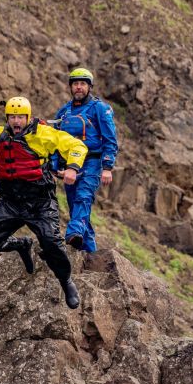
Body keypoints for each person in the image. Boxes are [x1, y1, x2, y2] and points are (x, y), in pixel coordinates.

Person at [0, 96, 88, 309]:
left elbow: (76, 146)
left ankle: (66, 280)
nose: (16, 121)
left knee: (52, 243)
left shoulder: (43, 134)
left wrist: (72, 167)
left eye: (21, 117)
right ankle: (21, 244)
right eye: (12, 117)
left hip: (40, 202)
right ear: (8, 118)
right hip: (10, 203)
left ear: (28, 117)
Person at [50, 68, 118, 252]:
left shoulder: (100, 109)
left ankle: (72, 233)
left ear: (89, 86)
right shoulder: (63, 112)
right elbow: (54, 141)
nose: (79, 87)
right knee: (75, 208)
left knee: (84, 197)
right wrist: (54, 166)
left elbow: (110, 139)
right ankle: (89, 253)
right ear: (71, 87)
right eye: (75, 84)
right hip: (70, 166)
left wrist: (107, 167)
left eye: (82, 84)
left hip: (92, 162)